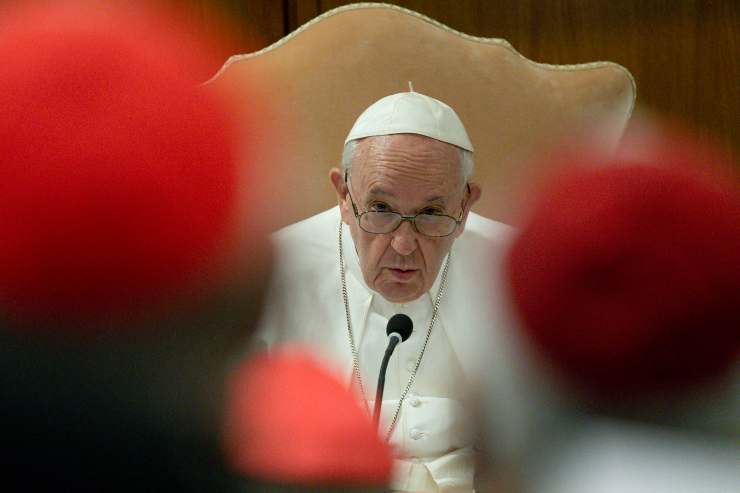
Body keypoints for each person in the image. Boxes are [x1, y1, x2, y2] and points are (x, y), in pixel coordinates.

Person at [255, 89, 517, 492]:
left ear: (465, 206)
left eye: (431, 213)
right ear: (344, 195)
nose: (403, 245)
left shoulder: (517, 269)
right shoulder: (271, 271)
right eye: (381, 209)